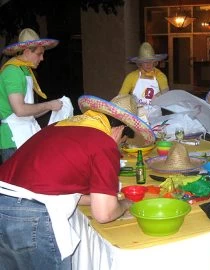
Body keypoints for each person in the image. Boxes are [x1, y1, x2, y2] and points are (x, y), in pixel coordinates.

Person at [0, 94, 156, 269]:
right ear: (120, 130)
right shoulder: (103, 142)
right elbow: (103, 214)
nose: (119, 146)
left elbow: (59, 186)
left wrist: (105, 198)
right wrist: (125, 204)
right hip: (32, 216)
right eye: (123, 141)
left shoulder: (59, 127)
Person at [0, 28, 64, 162]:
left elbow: (30, 112)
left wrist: (52, 107)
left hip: (26, 134)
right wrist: (49, 104)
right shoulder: (13, 71)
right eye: (39, 54)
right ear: (28, 52)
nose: (42, 58)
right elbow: (20, 110)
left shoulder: (24, 70)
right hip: (13, 139)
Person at [119, 42, 168, 123]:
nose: (148, 64)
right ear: (140, 63)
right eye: (145, 62)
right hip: (137, 117)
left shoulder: (160, 76)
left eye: (150, 61)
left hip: (156, 117)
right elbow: (121, 97)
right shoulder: (131, 77)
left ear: (155, 62)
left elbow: (166, 92)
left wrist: (158, 96)